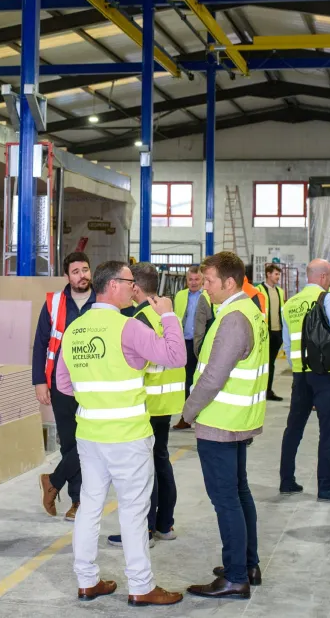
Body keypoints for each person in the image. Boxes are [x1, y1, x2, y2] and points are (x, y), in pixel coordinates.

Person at [55, 260, 185, 605]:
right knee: (133, 510)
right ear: (113, 285)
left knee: (89, 507)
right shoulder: (127, 328)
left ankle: (87, 581)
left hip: (90, 435)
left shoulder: (75, 330)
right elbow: (175, 355)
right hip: (127, 436)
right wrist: (169, 315)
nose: (134, 289)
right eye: (129, 283)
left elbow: (63, 384)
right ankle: (141, 586)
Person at [182, 251, 269, 600]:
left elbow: (214, 376)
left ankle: (235, 577)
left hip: (220, 420)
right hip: (237, 419)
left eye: (210, 282)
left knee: (226, 500)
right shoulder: (249, 310)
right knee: (239, 492)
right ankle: (247, 564)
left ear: (229, 283)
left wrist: (188, 412)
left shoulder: (233, 317)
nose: (205, 288)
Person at [107, 263, 183, 545]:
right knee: (160, 461)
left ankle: (146, 530)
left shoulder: (138, 319)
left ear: (135, 287)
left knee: (145, 469)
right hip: (167, 401)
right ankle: (164, 525)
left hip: (148, 402)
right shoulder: (164, 314)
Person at [277, 258, 330, 501]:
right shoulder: (326, 298)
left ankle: (287, 480)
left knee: (294, 428)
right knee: (329, 431)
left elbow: (287, 344)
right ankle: (326, 486)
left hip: (300, 374)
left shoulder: (289, 303)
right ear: (323, 277)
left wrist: (298, 366)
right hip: (326, 373)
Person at [35, 252, 93, 520]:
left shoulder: (102, 301)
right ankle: (77, 501)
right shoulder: (54, 302)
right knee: (71, 443)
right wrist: (39, 382)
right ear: (67, 276)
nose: (82, 275)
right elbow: (41, 344)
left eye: (85, 269)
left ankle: (53, 481)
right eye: (76, 271)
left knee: (89, 442)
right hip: (61, 384)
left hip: (94, 384)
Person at [173, 265, 212, 430]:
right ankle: (186, 417)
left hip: (203, 344)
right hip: (185, 344)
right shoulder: (180, 296)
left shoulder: (209, 296)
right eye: (191, 279)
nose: (194, 282)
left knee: (203, 381)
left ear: (202, 280)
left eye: (197, 279)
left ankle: (203, 417)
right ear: (186, 280)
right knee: (187, 381)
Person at [256, 264, 287, 403]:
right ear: (268, 274)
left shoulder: (280, 291)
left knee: (271, 363)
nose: (278, 277)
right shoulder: (259, 290)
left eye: (278, 274)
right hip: (264, 332)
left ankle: (268, 390)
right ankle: (259, 390)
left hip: (277, 332)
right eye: (276, 274)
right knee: (262, 363)